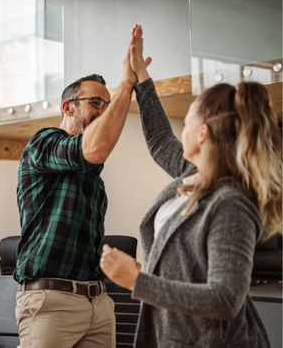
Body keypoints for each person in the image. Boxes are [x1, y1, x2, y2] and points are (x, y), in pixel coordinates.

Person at [99, 25, 279, 348]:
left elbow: (225, 299)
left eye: (189, 118)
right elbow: (158, 141)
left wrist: (138, 281)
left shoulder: (230, 203)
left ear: (203, 133)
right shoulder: (192, 177)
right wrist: (140, 78)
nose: (181, 126)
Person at [13, 27, 148, 348]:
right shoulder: (44, 142)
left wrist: (117, 264)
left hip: (98, 302)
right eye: (95, 102)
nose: (103, 109)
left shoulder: (92, 176)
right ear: (68, 107)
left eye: (107, 103)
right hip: (51, 301)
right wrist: (128, 83)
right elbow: (94, 149)